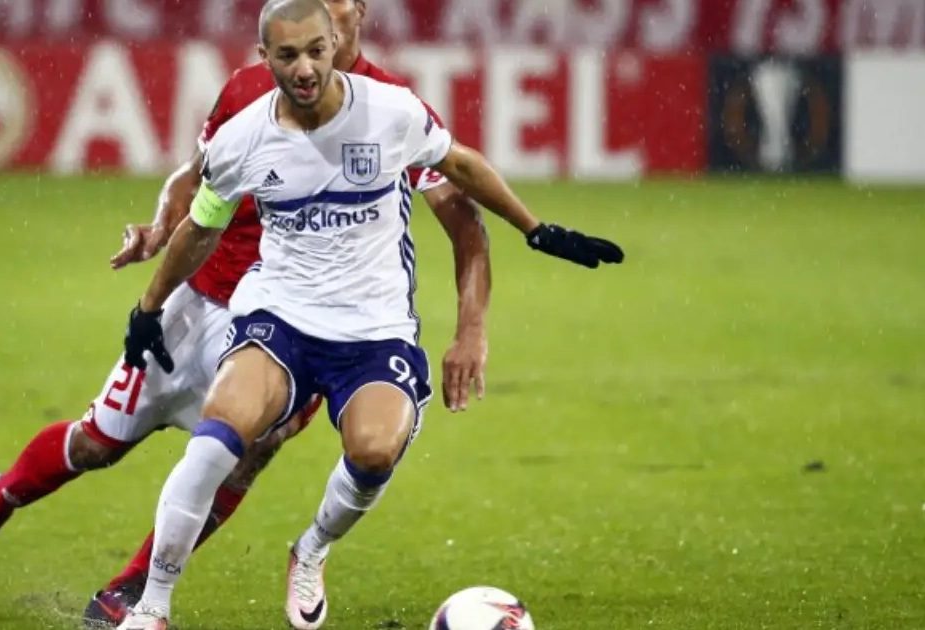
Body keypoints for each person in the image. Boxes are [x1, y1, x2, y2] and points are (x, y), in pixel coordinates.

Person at [0, 0, 493, 623]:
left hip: (301, 326)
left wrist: (472, 328)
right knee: (98, 443)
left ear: (358, 12)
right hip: (199, 303)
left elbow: (462, 216)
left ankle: (136, 588)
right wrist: (160, 227)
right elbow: (194, 175)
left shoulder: (390, 107)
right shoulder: (252, 88)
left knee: (241, 458)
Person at [115, 1, 624, 628]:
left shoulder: (390, 111)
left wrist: (535, 229)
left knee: (375, 452)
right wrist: (149, 307)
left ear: (334, 43)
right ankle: (152, 606)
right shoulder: (242, 138)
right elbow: (201, 227)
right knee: (218, 436)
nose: (305, 69)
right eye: (287, 55)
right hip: (280, 317)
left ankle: (311, 549)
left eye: (315, 51)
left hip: (374, 328)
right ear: (264, 57)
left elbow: (460, 163)